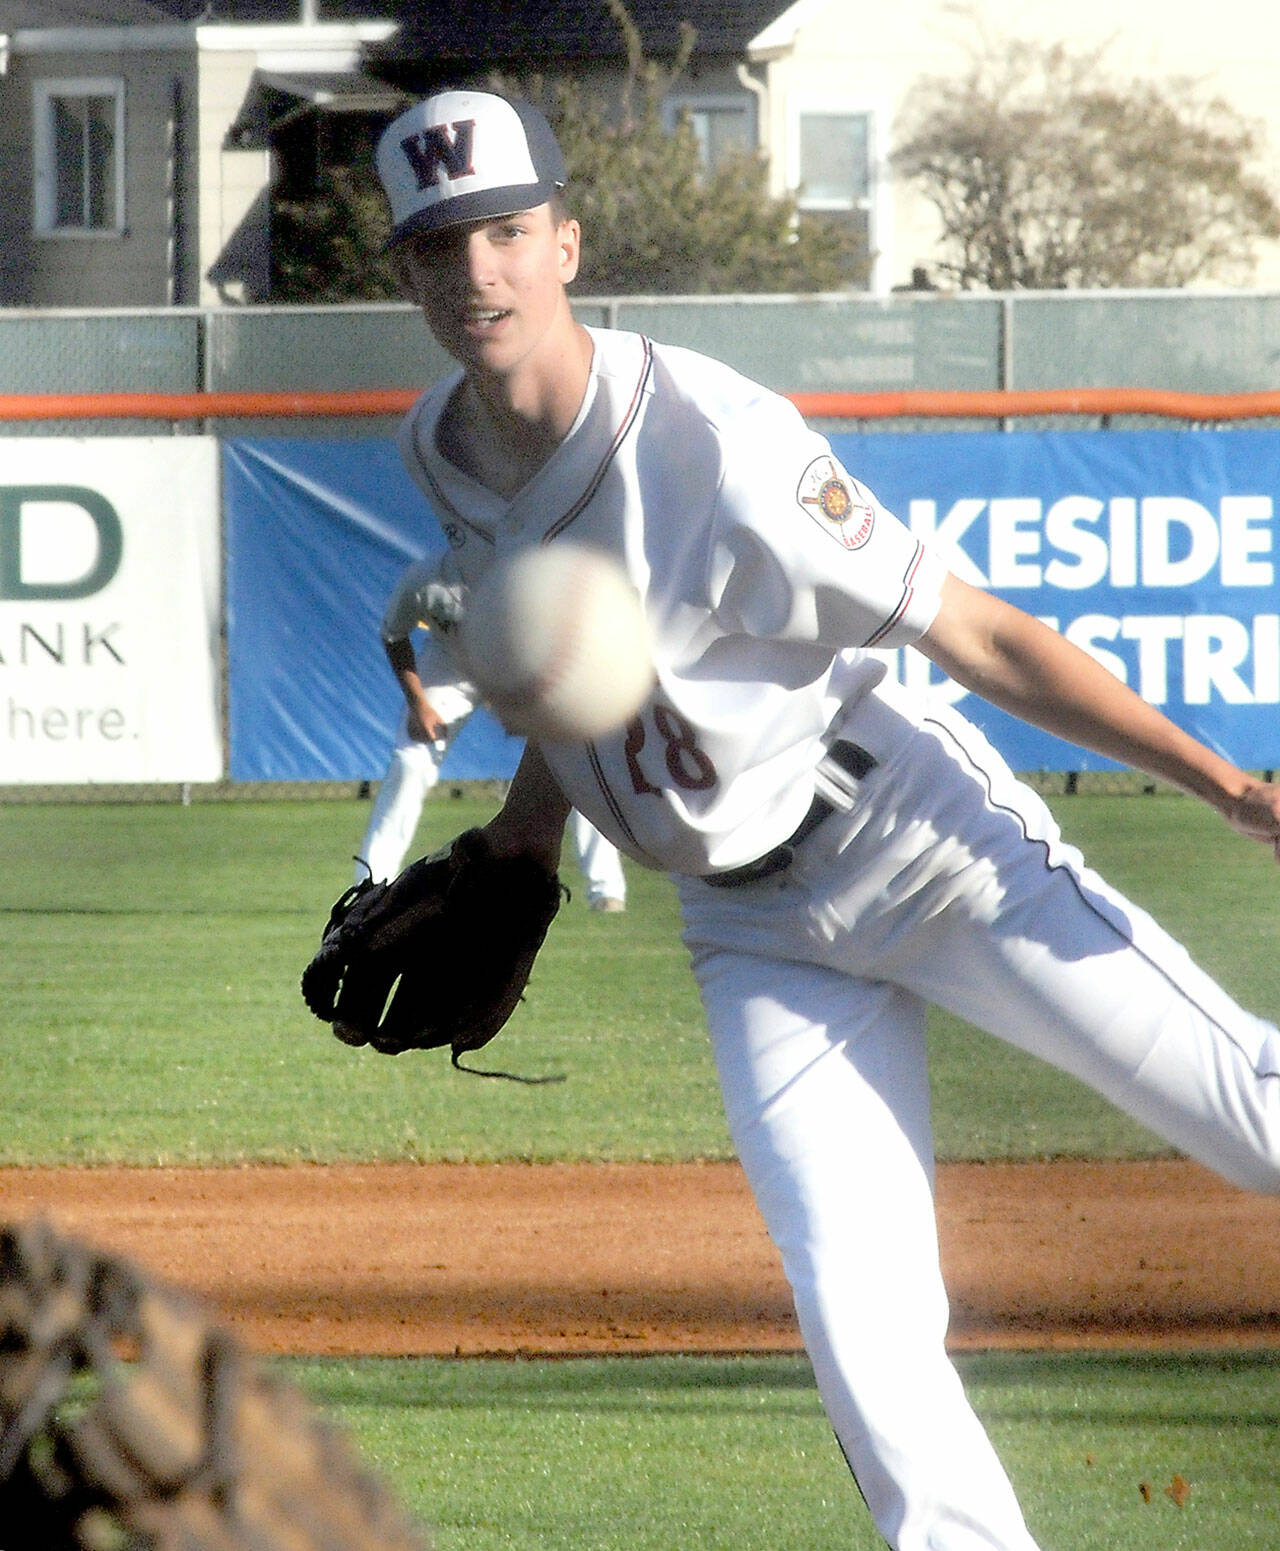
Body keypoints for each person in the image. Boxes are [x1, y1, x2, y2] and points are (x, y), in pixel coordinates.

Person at [371, 88, 1280, 1550]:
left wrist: (1227, 784)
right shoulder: (440, 452)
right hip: (749, 928)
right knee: (860, 1313)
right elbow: (568, 679)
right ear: (402, 271)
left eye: (507, 231)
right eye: (439, 246)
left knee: (1250, 1117)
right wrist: (522, 845)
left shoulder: (718, 445)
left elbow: (976, 634)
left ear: (565, 243)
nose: (477, 271)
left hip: (915, 834)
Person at [356, 556, 628, 911]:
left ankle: (606, 890)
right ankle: (371, 886)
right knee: (411, 760)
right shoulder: (426, 580)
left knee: (575, 754)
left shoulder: (524, 576)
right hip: (451, 666)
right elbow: (394, 634)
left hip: (523, 664)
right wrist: (418, 702)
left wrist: (514, 695)